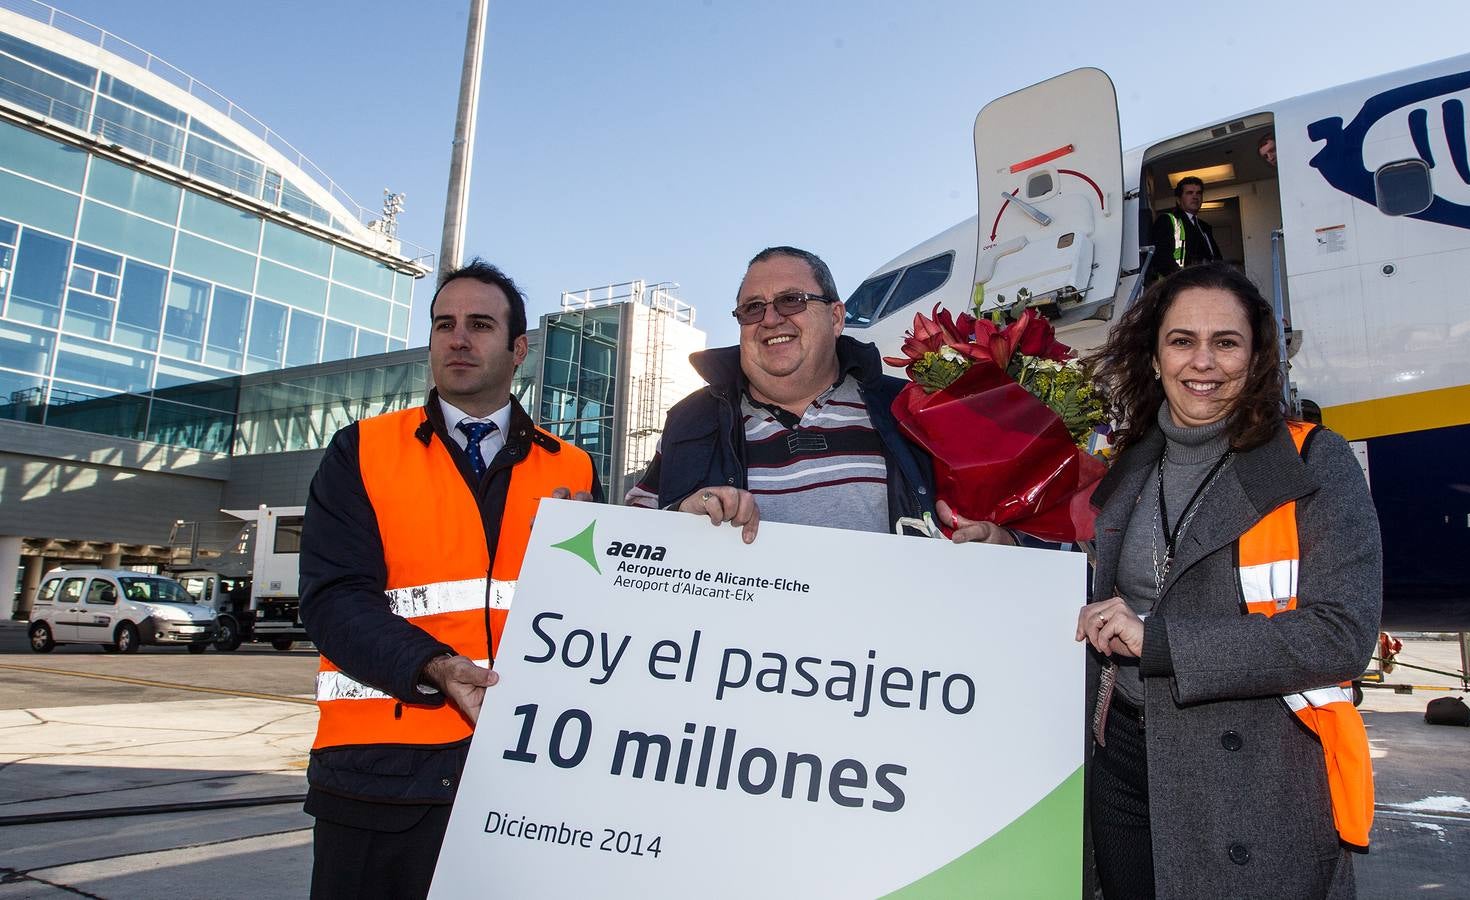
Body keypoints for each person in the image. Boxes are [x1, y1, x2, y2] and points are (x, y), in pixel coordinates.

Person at [1077, 263, 1381, 899]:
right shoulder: (1133, 466)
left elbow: (1342, 635)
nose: (1203, 362)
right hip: (1126, 757)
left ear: (1257, 356)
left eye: (1226, 342)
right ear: (1155, 358)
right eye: (1182, 340)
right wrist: (1003, 550)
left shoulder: (1312, 459)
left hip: (1254, 773)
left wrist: (1161, 643)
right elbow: (1103, 588)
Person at [299, 260, 601, 899]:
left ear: (518, 349)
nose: (458, 339)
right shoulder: (361, 451)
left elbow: (592, 612)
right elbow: (333, 601)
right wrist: (434, 666)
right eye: (445, 325)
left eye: (480, 325)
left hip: (521, 775)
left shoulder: (572, 468)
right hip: (378, 777)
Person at [625, 245, 1013, 545]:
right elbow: (632, 535)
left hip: (890, 645)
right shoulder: (690, 420)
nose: (771, 319)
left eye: (791, 300)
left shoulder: (912, 409)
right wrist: (682, 518)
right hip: (738, 649)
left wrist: (1005, 541)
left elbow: (1015, 529)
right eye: (752, 308)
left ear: (836, 317)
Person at [1147, 176, 1221, 280]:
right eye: (1189, 193)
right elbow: (1160, 259)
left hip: (1207, 283)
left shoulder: (1204, 227)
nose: (1195, 197)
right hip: (1179, 284)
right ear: (1178, 199)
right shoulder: (1167, 221)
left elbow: (1216, 258)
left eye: (1199, 193)